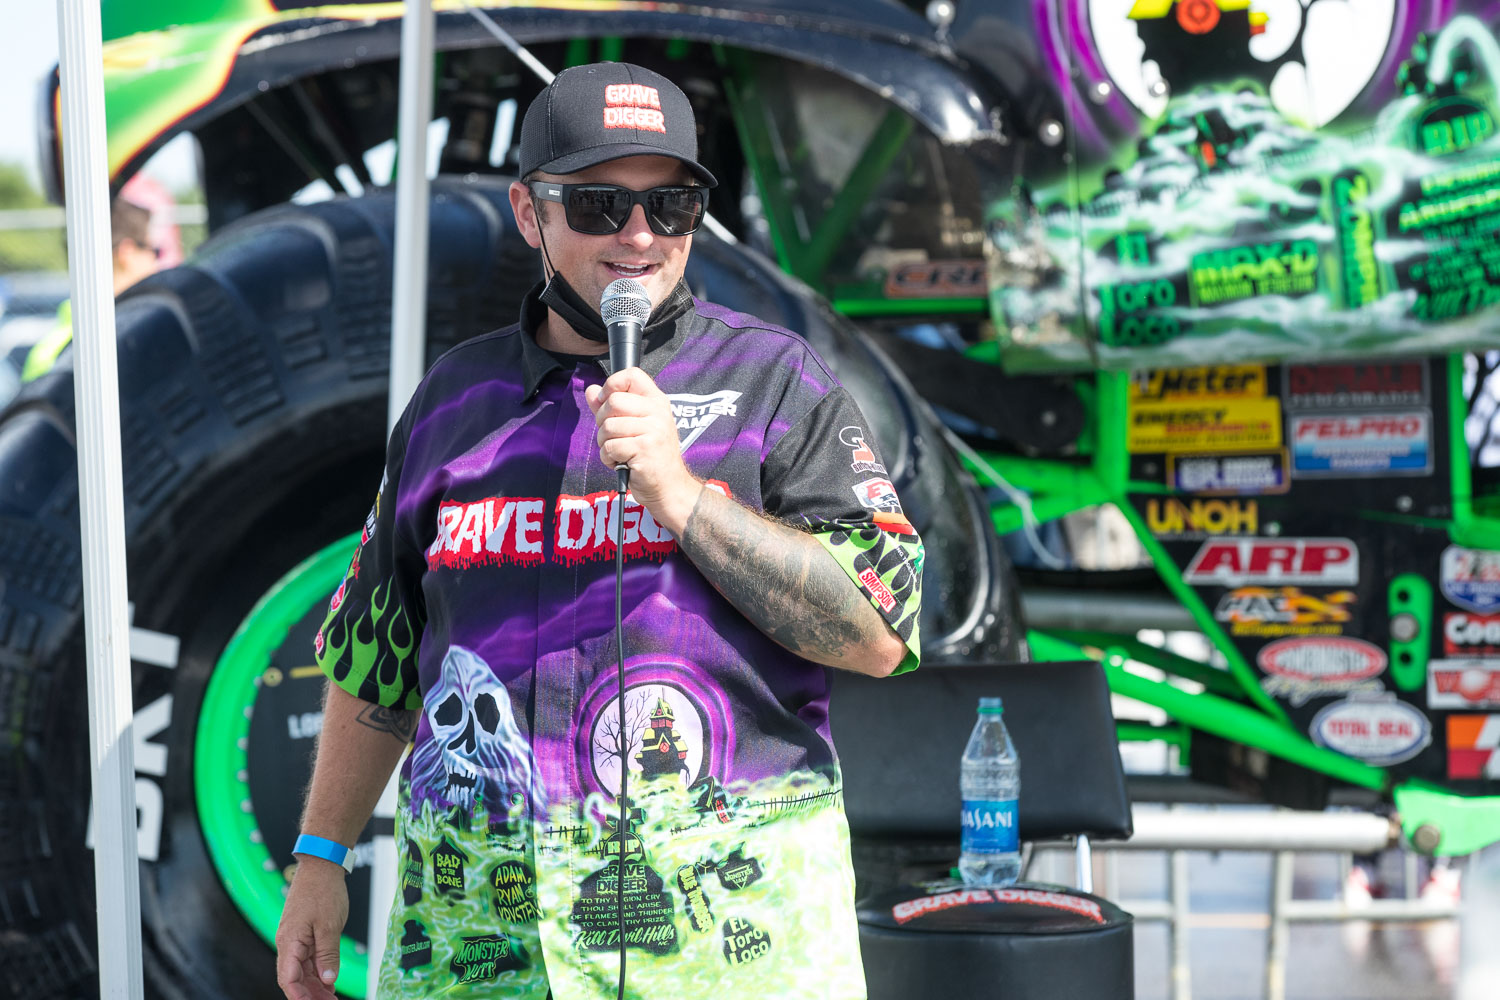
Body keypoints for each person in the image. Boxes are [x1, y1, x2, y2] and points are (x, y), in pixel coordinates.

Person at [275, 62, 924, 1000]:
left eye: (671, 209)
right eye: (598, 203)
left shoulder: (777, 381)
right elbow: (378, 659)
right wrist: (320, 853)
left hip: (729, 950)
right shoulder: (454, 401)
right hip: (480, 949)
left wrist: (685, 499)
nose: (637, 236)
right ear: (529, 213)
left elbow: (879, 629)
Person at [20, 195, 163, 383]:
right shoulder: (133, 339)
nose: (157, 262)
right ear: (127, 252)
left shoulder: (48, 352)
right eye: (155, 251)